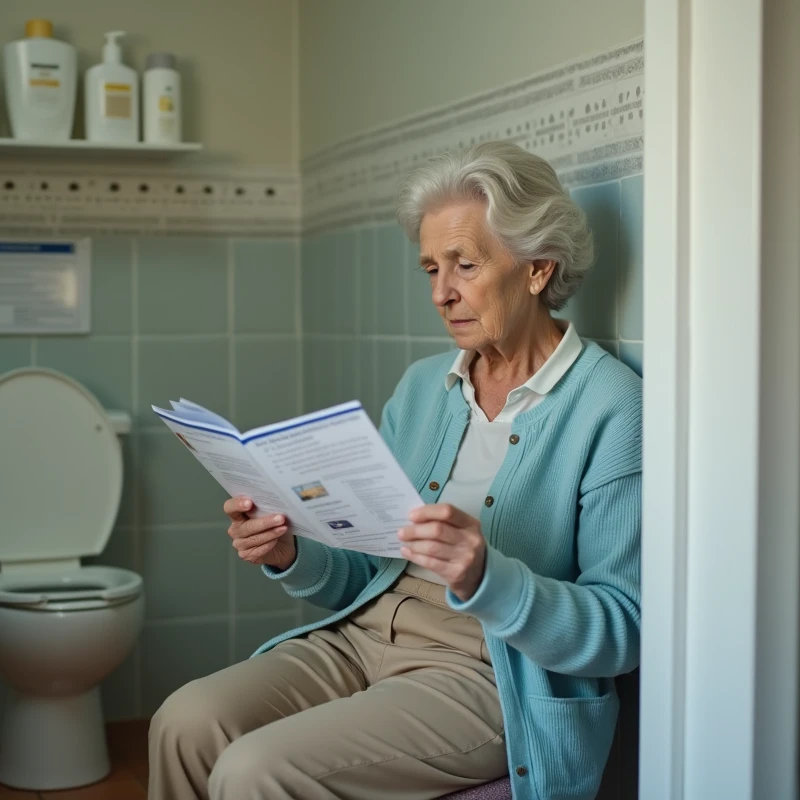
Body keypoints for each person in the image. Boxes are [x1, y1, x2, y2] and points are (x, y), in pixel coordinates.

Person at [148, 141, 642, 800]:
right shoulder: (423, 389)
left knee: (252, 769)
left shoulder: (611, 407)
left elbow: (623, 630)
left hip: (487, 672)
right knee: (182, 722)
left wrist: (486, 576)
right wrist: (292, 551)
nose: (442, 293)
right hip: (364, 634)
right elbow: (364, 569)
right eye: (431, 268)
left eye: (465, 264)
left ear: (537, 269)